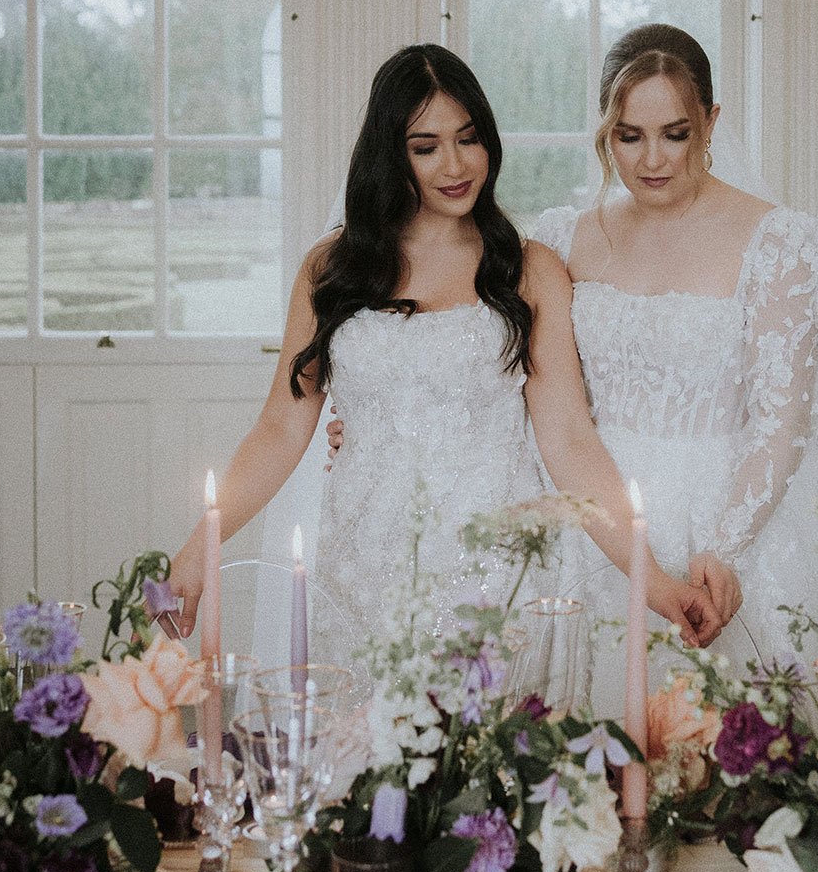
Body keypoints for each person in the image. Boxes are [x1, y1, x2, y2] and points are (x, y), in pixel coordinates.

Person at [164, 43, 717, 653]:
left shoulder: (528, 270)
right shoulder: (331, 269)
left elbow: (569, 439)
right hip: (364, 564)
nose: (455, 165)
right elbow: (280, 428)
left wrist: (653, 580)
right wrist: (201, 546)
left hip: (497, 572)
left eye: (468, 138)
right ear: (389, 154)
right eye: (425, 147)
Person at [533, 24, 818, 668]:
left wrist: (726, 547)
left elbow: (782, 420)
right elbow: (536, 392)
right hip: (593, 516)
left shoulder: (779, 244)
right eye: (629, 136)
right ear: (604, 130)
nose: (653, 161)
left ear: (711, 122)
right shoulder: (564, 238)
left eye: (675, 134)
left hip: (722, 514)